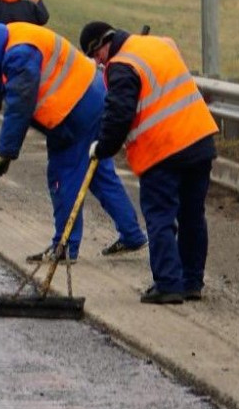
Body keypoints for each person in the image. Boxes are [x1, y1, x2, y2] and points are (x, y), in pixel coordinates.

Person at [0, 20, 148, 263]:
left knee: (63, 176)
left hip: (73, 113)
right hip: (95, 97)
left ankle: (64, 246)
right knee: (99, 172)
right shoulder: (18, 33)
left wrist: (6, 152)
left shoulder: (18, 55)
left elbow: (20, 104)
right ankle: (132, 234)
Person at [81, 21, 219, 305]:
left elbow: (118, 114)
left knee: (160, 216)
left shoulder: (121, 65)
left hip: (163, 151)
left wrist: (103, 147)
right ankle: (192, 282)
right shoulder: (161, 44)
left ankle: (168, 284)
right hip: (200, 139)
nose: (98, 63)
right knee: (193, 214)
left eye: (96, 56)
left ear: (103, 44)